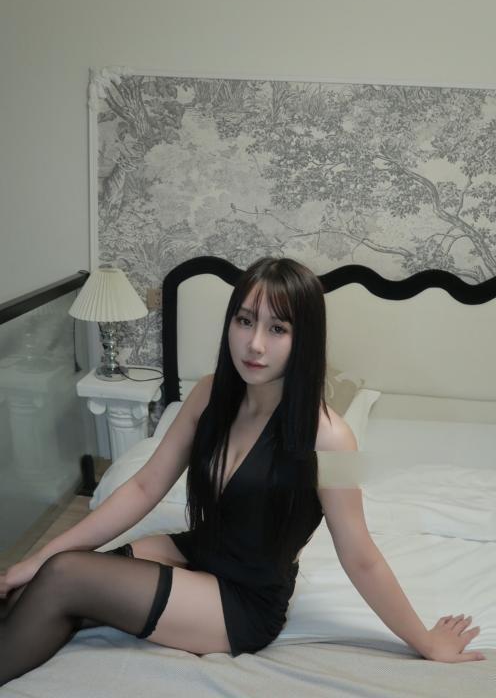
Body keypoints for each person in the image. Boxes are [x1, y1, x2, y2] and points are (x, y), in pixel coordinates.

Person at [0, 257, 485, 686]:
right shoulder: (209, 393)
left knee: (63, 574)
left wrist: (424, 640)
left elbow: (360, 555)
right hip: (196, 550)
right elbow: (145, 486)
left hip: (243, 601)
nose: (254, 344)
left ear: (304, 338)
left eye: (278, 329)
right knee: (32, 585)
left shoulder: (332, 438)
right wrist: (35, 559)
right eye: (245, 320)